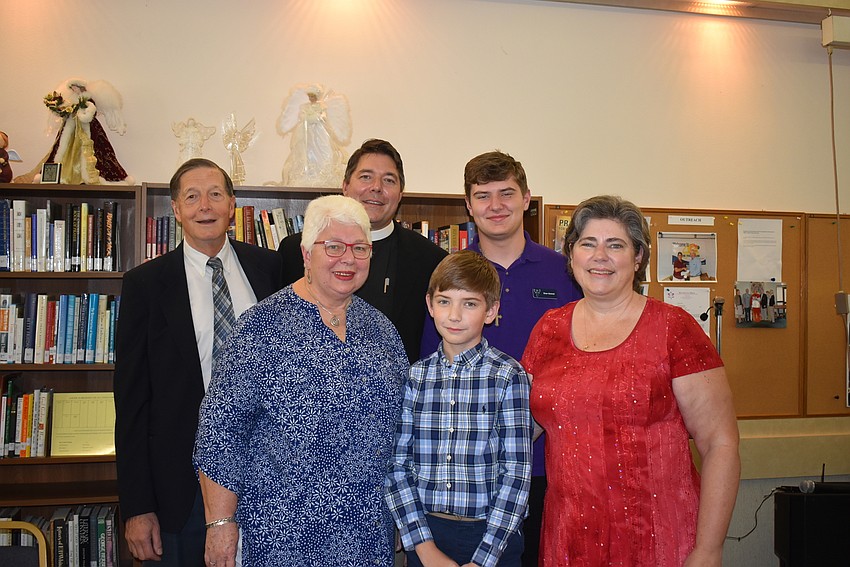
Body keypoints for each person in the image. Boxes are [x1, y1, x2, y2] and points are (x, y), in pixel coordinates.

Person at [521, 195, 740, 566]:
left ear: (638, 257)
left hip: (659, 539)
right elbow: (519, 429)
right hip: (570, 539)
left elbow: (720, 443)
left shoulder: (674, 328)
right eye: (587, 243)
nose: (599, 256)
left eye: (615, 245)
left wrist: (708, 549)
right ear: (571, 254)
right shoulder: (548, 329)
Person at [195, 195, 409, 566]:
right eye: (334, 246)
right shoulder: (260, 328)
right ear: (307, 254)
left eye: (360, 248)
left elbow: (402, 433)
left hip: (367, 536)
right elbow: (220, 434)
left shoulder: (382, 332)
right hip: (283, 537)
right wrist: (219, 523)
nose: (348, 259)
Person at [114, 158, 283, 566]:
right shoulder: (145, 285)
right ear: (176, 209)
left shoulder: (273, 270)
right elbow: (131, 403)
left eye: (215, 194)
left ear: (232, 205)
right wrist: (138, 506)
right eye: (192, 197)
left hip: (269, 478)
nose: (204, 206)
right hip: (179, 490)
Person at [421, 150, 581, 566]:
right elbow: (432, 373)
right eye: (483, 195)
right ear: (468, 205)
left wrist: (533, 426)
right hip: (465, 477)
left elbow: (579, 366)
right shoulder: (451, 274)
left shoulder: (563, 272)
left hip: (547, 465)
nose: (496, 205)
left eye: (506, 193)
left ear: (526, 198)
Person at [386, 250, 532, 567]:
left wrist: (484, 559)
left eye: (469, 304)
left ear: (491, 310)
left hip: (493, 535)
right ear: (430, 305)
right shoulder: (416, 376)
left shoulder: (508, 376)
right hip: (427, 531)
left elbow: (516, 473)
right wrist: (424, 548)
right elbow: (397, 466)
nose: (454, 315)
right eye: (444, 301)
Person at [278, 138, 447, 363]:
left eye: (389, 180)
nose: (376, 187)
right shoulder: (295, 250)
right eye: (366, 177)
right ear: (345, 186)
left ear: (400, 194)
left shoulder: (431, 260)